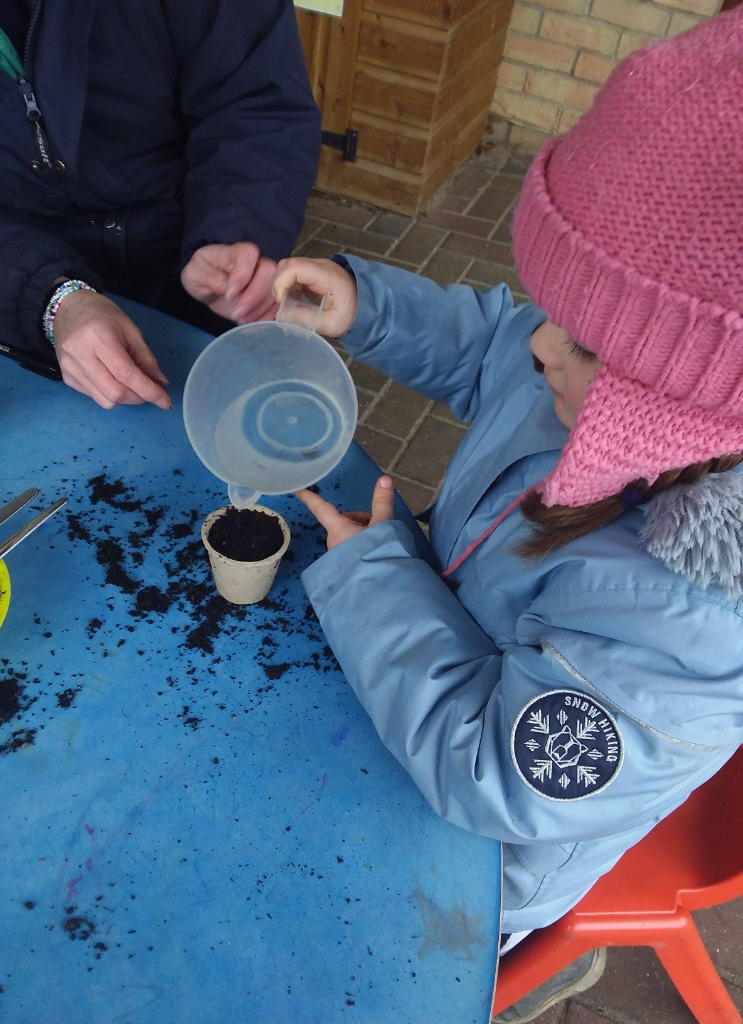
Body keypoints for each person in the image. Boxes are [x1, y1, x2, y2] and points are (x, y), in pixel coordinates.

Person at [272, 10, 743, 1022]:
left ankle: (532, 965)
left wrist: (370, 578)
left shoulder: (698, 625)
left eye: (583, 343)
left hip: (477, 858)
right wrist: (368, 306)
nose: (543, 347)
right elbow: (499, 340)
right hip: (426, 658)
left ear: (689, 403)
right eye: (557, 305)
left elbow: (493, 774)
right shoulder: (588, 360)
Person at [0, 0, 321, 410]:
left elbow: (256, 100)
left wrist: (234, 235)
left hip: (193, 264)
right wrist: (52, 297)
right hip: (13, 303)